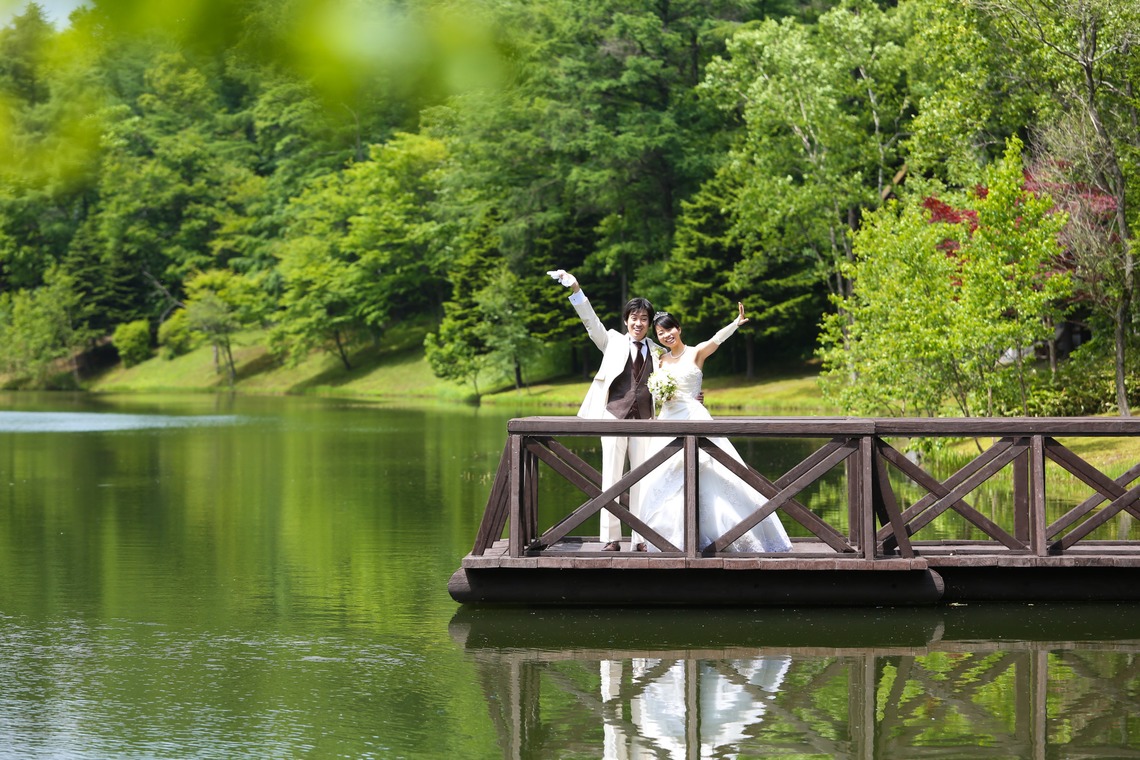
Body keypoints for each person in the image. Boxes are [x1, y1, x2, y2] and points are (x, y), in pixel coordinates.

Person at [638, 304, 793, 553]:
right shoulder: (660, 359)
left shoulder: (696, 352)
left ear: (678, 328)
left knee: (714, 472)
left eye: (669, 329)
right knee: (663, 477)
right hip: (668, 420)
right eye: (660, 333)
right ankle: (666, 538)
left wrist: (735, 323)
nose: (666, 335)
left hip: (693, 417)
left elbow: (716, 339)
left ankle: (725, 536)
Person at [548, 269, 659, 551]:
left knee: (642, 480)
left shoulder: (657, 352)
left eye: (644, 319)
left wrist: (694, 396)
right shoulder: (611, 340)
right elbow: (590, 321)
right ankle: (610, 539)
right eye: (634, 318)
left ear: (649, 323)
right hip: (613, 415)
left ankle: (641, 539)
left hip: (645, 420)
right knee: (611, 477)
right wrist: (576, 290)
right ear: (626, 320)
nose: (639, 323)